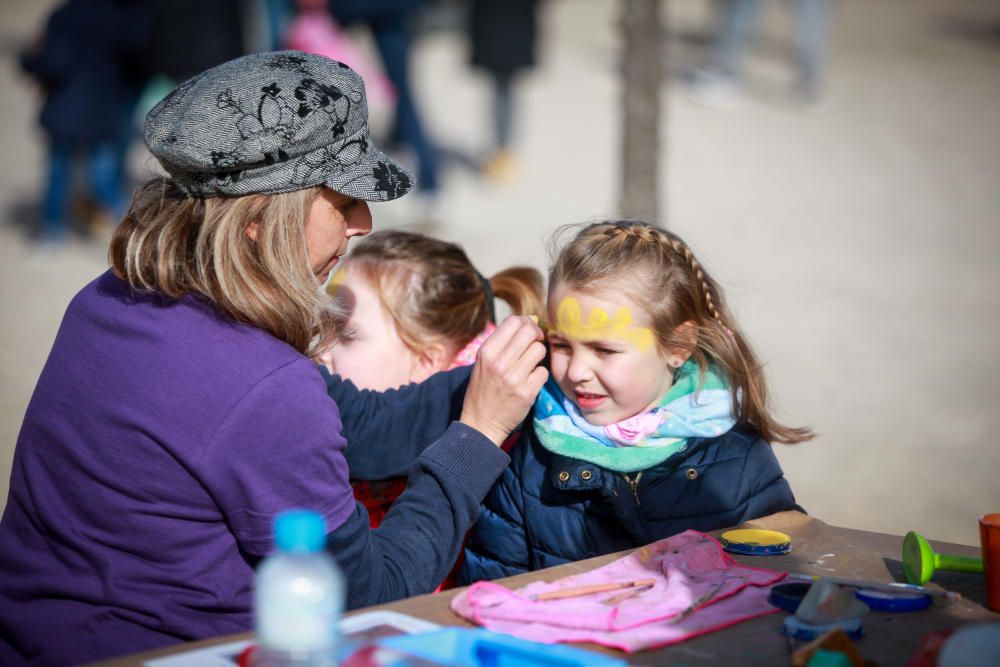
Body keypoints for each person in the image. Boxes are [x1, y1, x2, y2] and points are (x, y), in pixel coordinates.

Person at [0, 51, 547, 665]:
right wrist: (479, 435)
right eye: (343, 202)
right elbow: (368, 597)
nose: (364, 222)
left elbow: (356, 422)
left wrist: (493, 379)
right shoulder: (260, 383)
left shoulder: (110, 300)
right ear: (262, 218)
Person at [459, 220, 810, 582]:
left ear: (677, 346)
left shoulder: (736, 455)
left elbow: (779, 580)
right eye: (561, 345)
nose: (577, 370)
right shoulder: (531, 453)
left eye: (604, 349)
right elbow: (493, 592)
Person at [319, 229, 544, 528]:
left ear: (427, 360)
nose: (320, 351)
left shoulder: (506, 464)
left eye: (346, 336)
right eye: (320, 330)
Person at [19, 0, 148, 242]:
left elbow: (51, 61)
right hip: (105, 104)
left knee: (59, 169)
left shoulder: (64, 16)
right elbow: (138, 56)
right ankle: (132, 227)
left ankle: (52, 231)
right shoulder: (120, 16)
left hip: (67, 104)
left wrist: (26, 59)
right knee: (102, 171)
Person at [467, 0, 542, 183]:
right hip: (505, 23)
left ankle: (502, 151)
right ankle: (502, 150)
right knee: (503, 91)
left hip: (500, 23)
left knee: (502, 91)